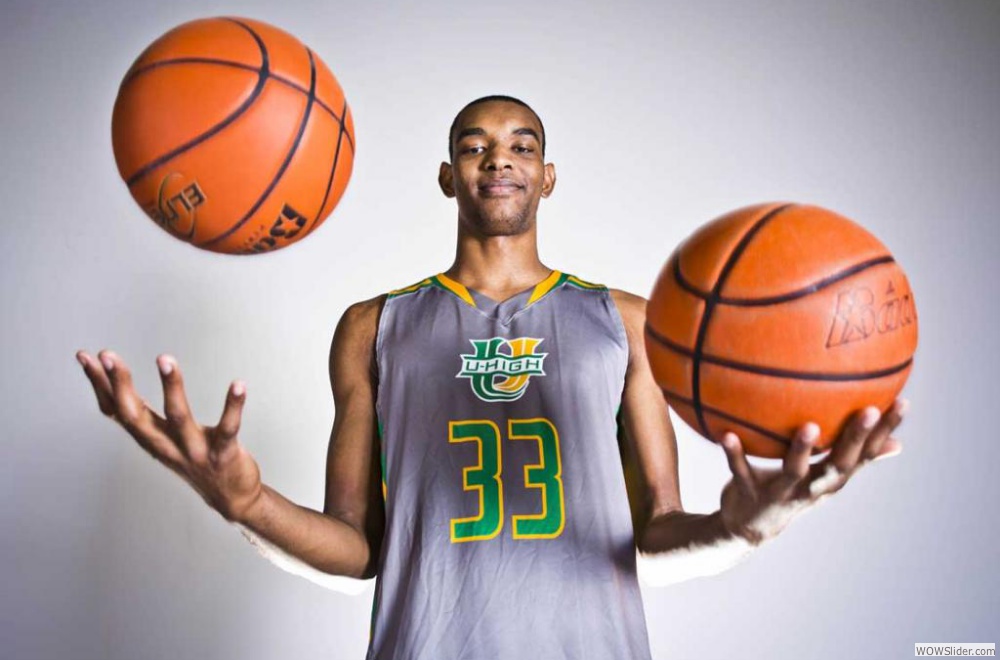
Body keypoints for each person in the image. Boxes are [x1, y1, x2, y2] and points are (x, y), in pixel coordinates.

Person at [77, 95, 907, 659]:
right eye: (474, 146)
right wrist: (246, 504)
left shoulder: (626, 319)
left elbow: (657, 531)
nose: (497, 159)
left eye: (521, 146)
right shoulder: (373, 325)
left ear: (547, 176)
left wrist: (750, 526)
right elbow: (356, 547)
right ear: (448, 176)